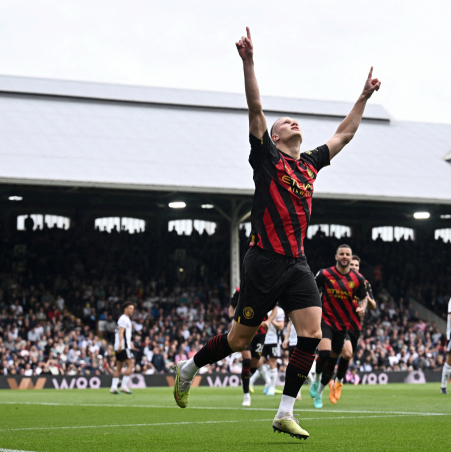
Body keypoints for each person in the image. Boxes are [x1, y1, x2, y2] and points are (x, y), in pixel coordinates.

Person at [171, 26, 380, 440]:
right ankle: (189, 367)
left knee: (313, 334)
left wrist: (363, 97)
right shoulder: (266, 158)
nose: (291, 122)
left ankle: (284, 412)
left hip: (297, 263)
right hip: (264, 259)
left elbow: (345, 133)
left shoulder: (311, 164)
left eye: (293, 120)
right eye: (285, 122)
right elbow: (256, 109)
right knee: (238, 339)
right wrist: (248, 62)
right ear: (277, 136)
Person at [309, 244, 367, 408]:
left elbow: (363, 297)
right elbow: (312, 289)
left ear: (350, 257)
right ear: (336, 257)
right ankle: (317, 379)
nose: (344, 256)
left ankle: (319, 393)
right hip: (326, 320)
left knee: (333, 362)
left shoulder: (357, 279)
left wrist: (361, 307)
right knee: (325, 352)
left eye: (347, 254)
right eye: (341, 253)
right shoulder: (325, 273)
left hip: (343, 326)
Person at [331, 254, 376, 404]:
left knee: (348, 356)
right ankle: (328, 380)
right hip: (340, 324)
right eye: (353, 265)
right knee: (346, 351)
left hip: (355, 327)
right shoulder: (341, 282)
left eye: (357, 266)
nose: (355, 268)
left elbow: (373, 305)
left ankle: (336, 380)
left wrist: (367, 301)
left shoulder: (364, 284)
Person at [228, 288, 276, 407]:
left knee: (255, 364)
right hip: (245, 330)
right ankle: (246, 395)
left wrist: (269, 321)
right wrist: (234, 321)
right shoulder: (240, 290)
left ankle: (246, 380)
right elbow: (231, 308)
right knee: (247, 360)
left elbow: (275, 308)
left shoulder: (266, 288)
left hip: (260, 334)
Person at [111, 302, 135, 395]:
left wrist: (129, 342)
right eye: (130, 308)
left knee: (119, 367)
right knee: (131, 364)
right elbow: (121, 331)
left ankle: (113, 387)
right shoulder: (124, 319)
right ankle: (123, 386)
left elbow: (124, 333)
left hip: (121, 345)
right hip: (123, 346)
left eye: (132, 309)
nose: (132, 310)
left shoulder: (124, 319)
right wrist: (121, 343)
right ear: (125, 309)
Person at [263, 306, 285, 396]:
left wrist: (270, 320)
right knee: (258, 362)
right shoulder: (264, 308)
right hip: (263, 339)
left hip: (274, 340)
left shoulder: (279, 311)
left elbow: (281, 326)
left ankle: (272, 387)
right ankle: (268, 381)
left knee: (273, 363)